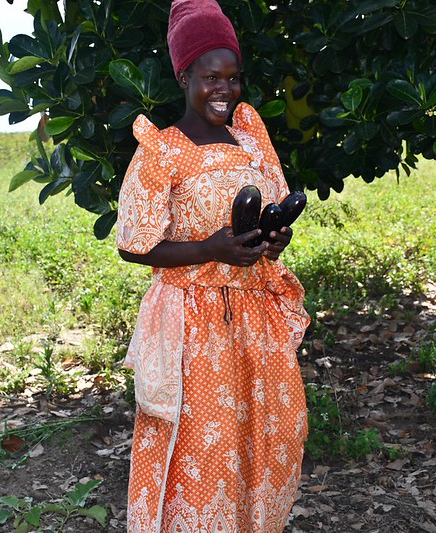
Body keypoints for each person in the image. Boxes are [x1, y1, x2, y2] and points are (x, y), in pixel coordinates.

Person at [116, 0, 310, 530]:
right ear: (184, 76)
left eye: (232, 78)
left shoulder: (251, 139)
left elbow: (268, 215)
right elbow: (134, 245)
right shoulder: (161, 152)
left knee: (266, 436)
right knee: (203, 447)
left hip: (255, 318)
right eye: (210, 77)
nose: (224, 89)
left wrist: (272, 241)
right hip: (191, 326)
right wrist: (210, 249)